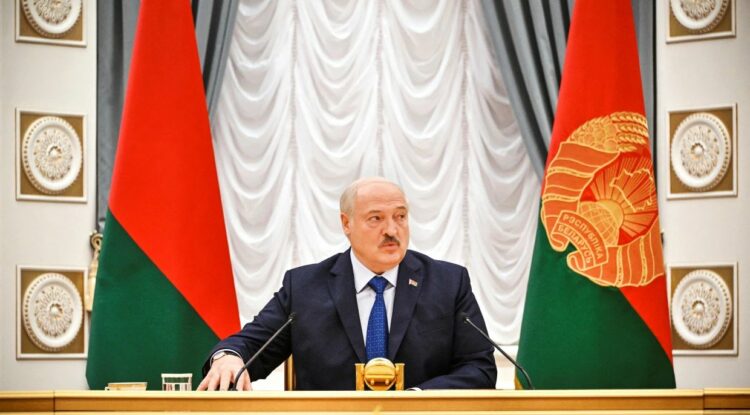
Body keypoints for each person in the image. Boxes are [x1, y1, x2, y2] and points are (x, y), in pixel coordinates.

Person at [198, 177, 496, 390]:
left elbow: (479, 368)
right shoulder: (304, 287)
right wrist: (229, 358)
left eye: (400, 217)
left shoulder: (448, 283)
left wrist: (416, 400)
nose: (392, 230)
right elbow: (251, 344)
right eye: (376, 219)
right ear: (346, 223)